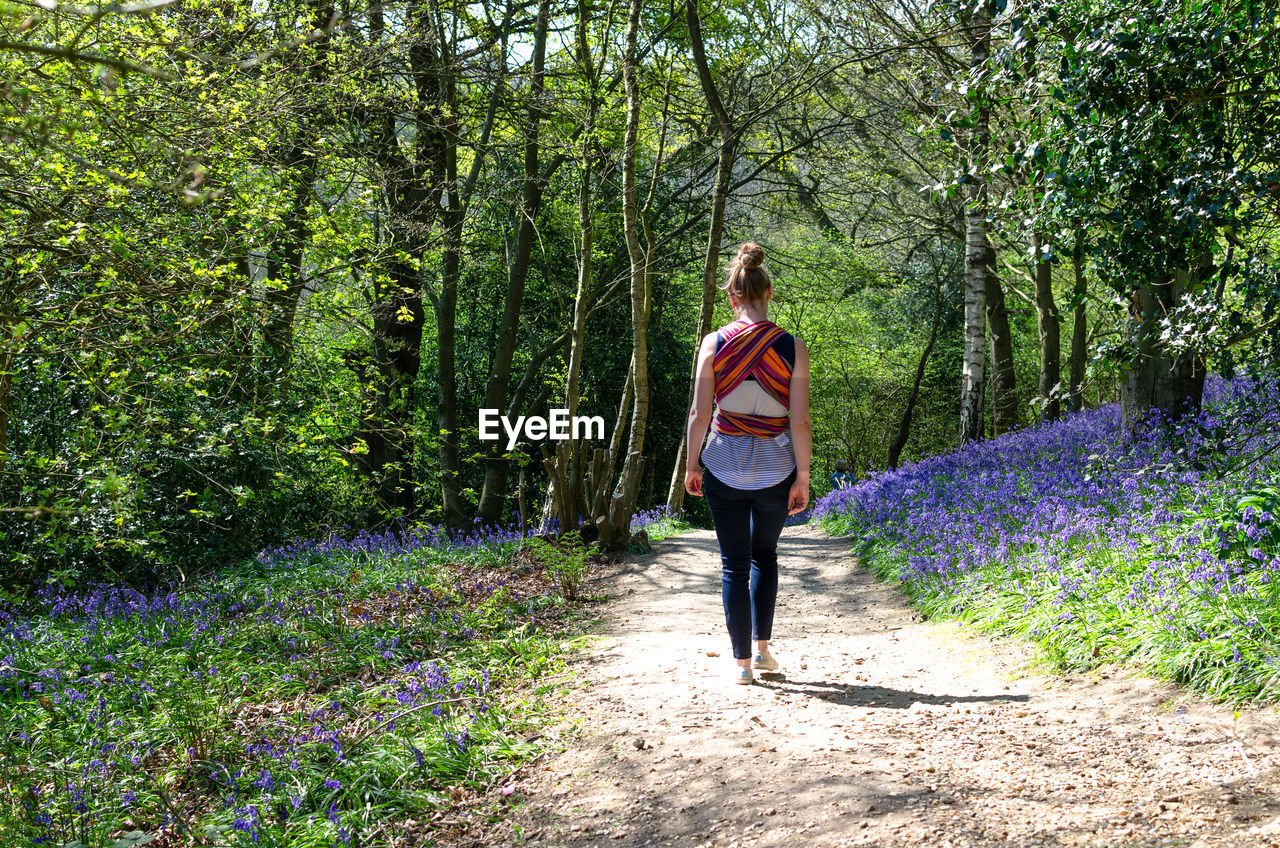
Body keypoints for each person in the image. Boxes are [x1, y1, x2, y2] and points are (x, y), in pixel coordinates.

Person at [683, 242, 812, 685]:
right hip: (777, 469)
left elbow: (700, 414)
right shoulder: (793, 347)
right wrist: (803, 476)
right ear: (768, 292)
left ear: (732, 296)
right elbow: (800, 421)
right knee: (765, 556)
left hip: (722, 463)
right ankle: (762, 652)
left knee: (733, 563)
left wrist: (692, 465)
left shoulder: (712, 343)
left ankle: (740, 666)